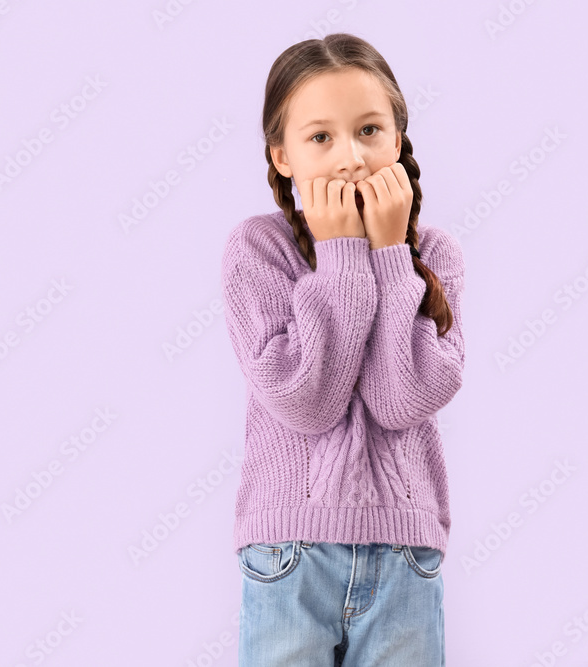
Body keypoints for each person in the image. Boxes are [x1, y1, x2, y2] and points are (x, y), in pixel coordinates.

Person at [220, 33, 465, 666]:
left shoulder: (433, 257)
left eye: (369, 130)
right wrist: (341, 259)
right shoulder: (258, 252)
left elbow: (400, 399)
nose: (350, 156)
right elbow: (308, 403)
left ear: (398, 139)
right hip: (289, 553)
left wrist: (388, 255)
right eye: (320, 137)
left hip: (404, 553)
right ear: (281, 155)